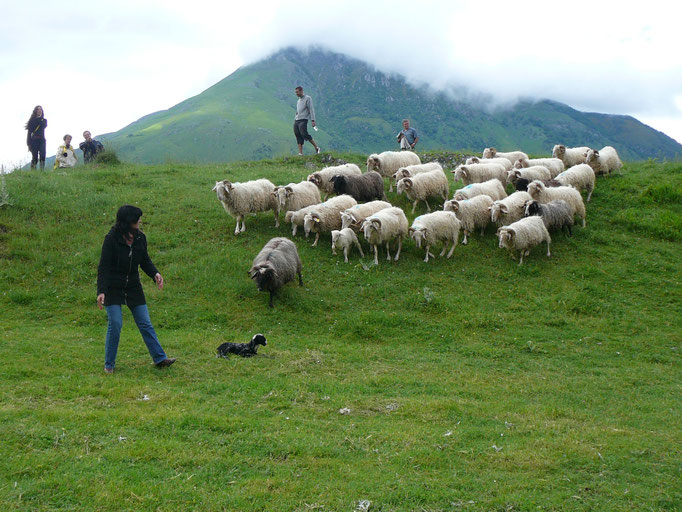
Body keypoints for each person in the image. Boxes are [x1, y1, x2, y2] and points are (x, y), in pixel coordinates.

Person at [96, 205, 176, 373]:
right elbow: (103, 267)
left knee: (145, 323)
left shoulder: (140, 238)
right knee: (116, 323)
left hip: (133, 287)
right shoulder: (111, 239)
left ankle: (160, 359)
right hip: (113, 287)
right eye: (137, 218)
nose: (140, 220)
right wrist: (101, 291)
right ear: (127, 221)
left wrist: (155, 273)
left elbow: (144, 260)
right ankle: (109, 365)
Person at [293, 86, 321, 156]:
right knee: (297, 135)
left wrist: (313, 120)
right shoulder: (298, 101)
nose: (296, 94)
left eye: (297, 92)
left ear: (301, 91)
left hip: (303, 119)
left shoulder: (308, 98)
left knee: (304, 133)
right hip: (297, 119)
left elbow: (311, 109)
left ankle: (316, 147)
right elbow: (298, 110)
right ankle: (300, 153)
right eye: (295, 92)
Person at [25, 105, 47, 170]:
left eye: (41, 109)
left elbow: (43, 125)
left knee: (42, 155)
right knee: (35, 157)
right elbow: (29, 132)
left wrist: (40, 118)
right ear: (35, 111)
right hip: (34, 140)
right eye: (38, 109)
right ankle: (33, 171)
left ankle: (42, 171)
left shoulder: (44, 120)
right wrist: (28, 143)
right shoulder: (31, 121)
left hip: (42, 140)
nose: (39, 111)